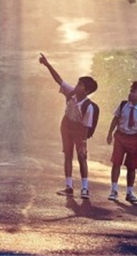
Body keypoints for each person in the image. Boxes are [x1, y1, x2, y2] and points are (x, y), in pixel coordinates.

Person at [39, 53, 98, 199]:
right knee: (68, 155)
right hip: (66, 126)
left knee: (82, 156)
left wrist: (83, 143)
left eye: (80, 84)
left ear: (86, 91)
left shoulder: (88, 107)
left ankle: (85, 188)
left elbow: (85, 127)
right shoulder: (71, 93)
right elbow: (58, 79)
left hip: (79, 130)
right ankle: (69, 186)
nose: (76, 85)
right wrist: (47, 65)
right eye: (77, 83)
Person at [106, 81, 137, 203]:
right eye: (130, 91)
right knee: (116, 163)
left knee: (131, 167)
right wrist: (110, 133)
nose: (130, 94)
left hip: (134, 140)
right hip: (120, 137)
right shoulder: (123, 105)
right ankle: (114, 190)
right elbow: (115, 119)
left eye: (133, 92)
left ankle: (129, 192)